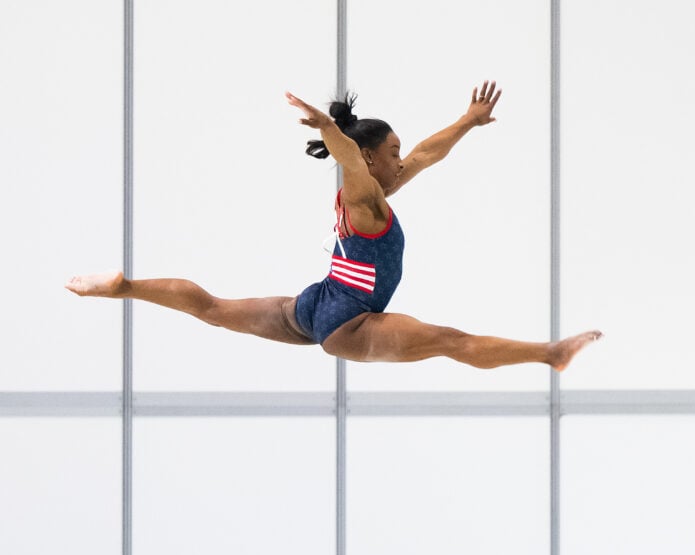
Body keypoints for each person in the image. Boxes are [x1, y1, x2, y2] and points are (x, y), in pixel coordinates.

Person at [66, 81, 601, 371]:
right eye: (390, 153)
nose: (400, 161)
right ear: (368, 159)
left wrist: (465, 121)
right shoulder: (361, 189)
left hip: (316, 303)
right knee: (449, 342)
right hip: (350, 324)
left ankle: (124, 287)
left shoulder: (376, 186)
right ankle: (549, 354)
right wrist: (327, 126)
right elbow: (348, 154)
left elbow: (424, 155)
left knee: (214, 309)